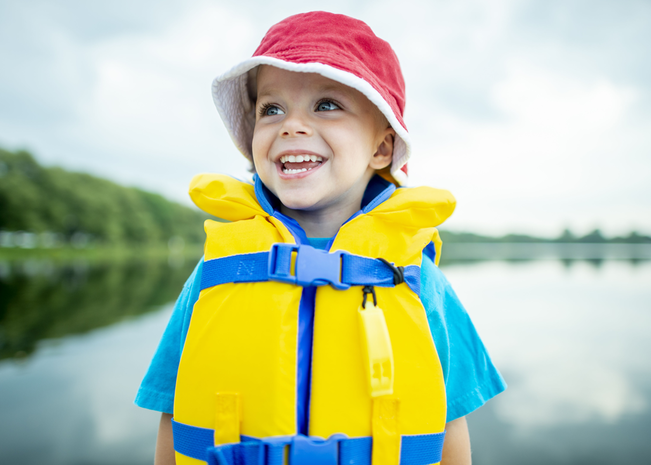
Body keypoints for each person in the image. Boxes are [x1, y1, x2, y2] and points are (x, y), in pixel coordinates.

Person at [135, 11, 506, 465]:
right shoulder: (215, 272)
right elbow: (172, 414)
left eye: (326, 104)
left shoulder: (420, 280)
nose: (291, 125)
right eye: (270, 109)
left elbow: (450, 425)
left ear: (382, 148)